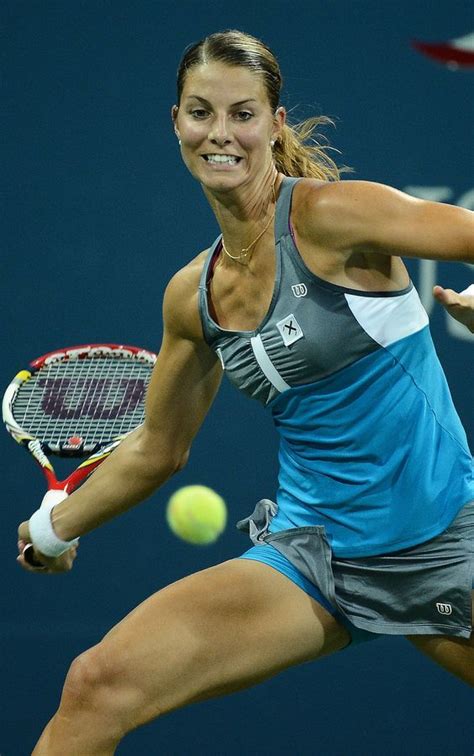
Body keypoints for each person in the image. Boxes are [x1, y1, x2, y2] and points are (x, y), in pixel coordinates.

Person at [17, 29, 474, 755]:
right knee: (96, 687)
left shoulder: (332, 217)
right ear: (176, 123)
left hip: (443, 542)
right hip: (312, 558)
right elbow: (156, 449)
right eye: (200, 113)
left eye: (242, 113)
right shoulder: (191, 297)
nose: (219, 133)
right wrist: (54, 528)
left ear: (275, 124)